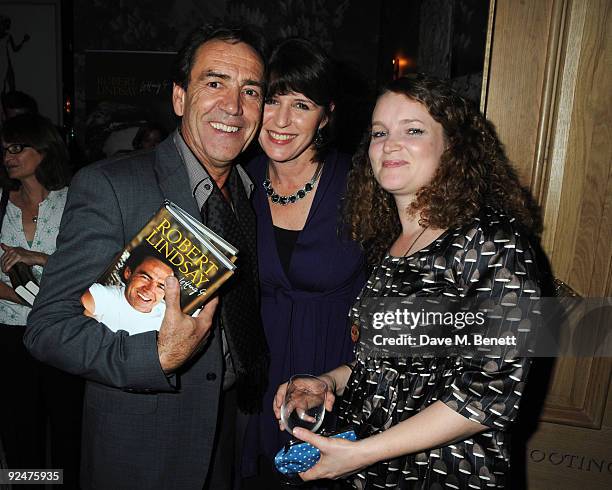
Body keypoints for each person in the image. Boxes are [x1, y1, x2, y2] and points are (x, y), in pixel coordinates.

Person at [24, 24, 270, 490]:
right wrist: (155, 356)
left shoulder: (248, 192)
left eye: (251, 91)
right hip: (144, 447)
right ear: (180, 98)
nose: (233, 107)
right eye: (214, 83)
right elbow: (47, 328)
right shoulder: (112, 186)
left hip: (229, 433)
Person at [273, 75, 545, 489]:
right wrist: (327, 381)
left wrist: (360, 454)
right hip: (371, 468)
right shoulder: (392, 243)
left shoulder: (491, 242)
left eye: (412, 130)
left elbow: (488, 394)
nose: (389, 144)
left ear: (453, 145)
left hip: (444, 473)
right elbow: (389, 365)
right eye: (380, 132)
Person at [242, 37, 366, 485]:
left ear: (326, 114)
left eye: (301, 104)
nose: (280, 121)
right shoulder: (237, 181)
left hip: (336, 376)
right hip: (255, 379)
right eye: (270, 100)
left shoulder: (363, 187)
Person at [0, 114, 81, 486]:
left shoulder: (73, 201)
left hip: (64, 329)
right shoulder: (1, 201)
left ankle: (65, 484)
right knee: (20, 431)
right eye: (4, 150)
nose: (9, 156)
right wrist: (27, 297)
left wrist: (39, 259)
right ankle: (31, 485)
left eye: (18, 148)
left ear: (44, 150)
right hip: (10, 333)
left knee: (69, 426)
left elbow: (91, 268)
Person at [81, 245, 175, 334]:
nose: (149, 290)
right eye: (145, 277)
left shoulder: (167, 314)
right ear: (128, 273)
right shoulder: (102, 296)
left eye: (161, 286)